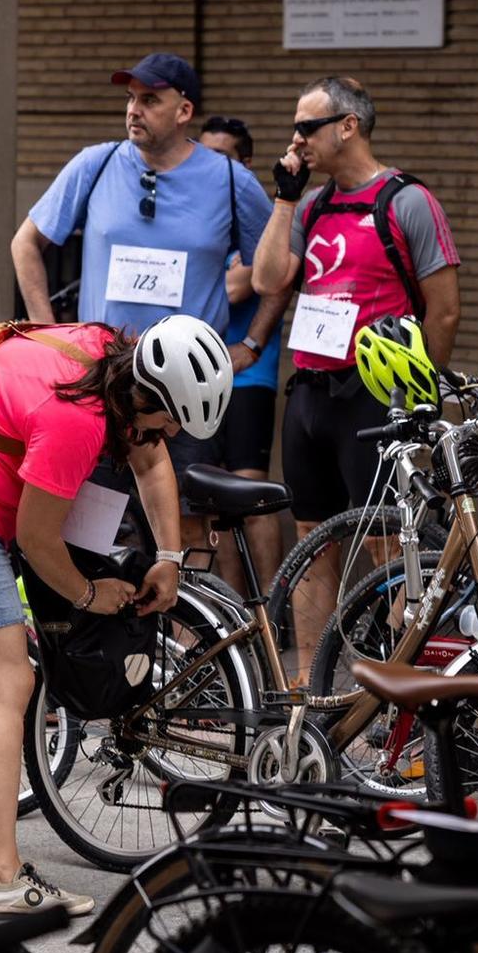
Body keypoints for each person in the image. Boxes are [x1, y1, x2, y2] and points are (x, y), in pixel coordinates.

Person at [0, 314, 233, 919]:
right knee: (6, 684)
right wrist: (90, 595)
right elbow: (39, 539)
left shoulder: (106, 355)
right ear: (146, 394)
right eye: (168, 420)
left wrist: (170, 558)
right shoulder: (76, 419)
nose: (169, 433)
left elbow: (150, 463)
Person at [11, 53, 274, 556]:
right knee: (94, 531)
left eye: (150, 99)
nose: (134, 109)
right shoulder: (97, 163)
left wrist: (253, 343)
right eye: (131, 98)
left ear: (183, 111)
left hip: (187, 390)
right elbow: (26, 244)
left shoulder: (229, 179)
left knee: (188, 530)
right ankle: (105, 630)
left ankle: (188, 632)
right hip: (105, 382)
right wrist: (50, 338)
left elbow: (280, 269)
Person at [251, 76, 461, 673]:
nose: (296, 139)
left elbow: (443, 309)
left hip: (374, 400)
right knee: (315, 546)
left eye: (306, 127)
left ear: (348, 126)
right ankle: (312, 698)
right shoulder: (312, 204)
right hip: (310, 395)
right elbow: (269, 280)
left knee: (392, 549)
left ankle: (393, 703)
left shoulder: (406, 200)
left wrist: (420, 396)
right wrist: (285, 198)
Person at [196, 117, 287, 598]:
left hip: (248, 377)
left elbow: (235, 287)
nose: (210, 168)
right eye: (203, 155)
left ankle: (272, 607)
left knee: (251, 491)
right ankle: (232, 605)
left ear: (245, 165)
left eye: (222, 158)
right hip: (200, 379)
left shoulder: (257, 217)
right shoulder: (206, 217)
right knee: (212, 499)